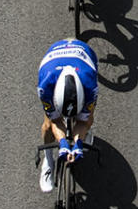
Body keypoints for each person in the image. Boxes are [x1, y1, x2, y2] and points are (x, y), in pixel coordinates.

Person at [37, 37, 99, 192]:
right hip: (52, 64)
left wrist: (77, 144)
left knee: (86, 119)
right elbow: (55, 121)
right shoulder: (45, 87)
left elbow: (84, 122)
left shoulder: (90, 86)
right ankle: (49, 160)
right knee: (47, 126)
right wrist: (63, 144)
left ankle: (82, 133)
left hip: (85, 58)